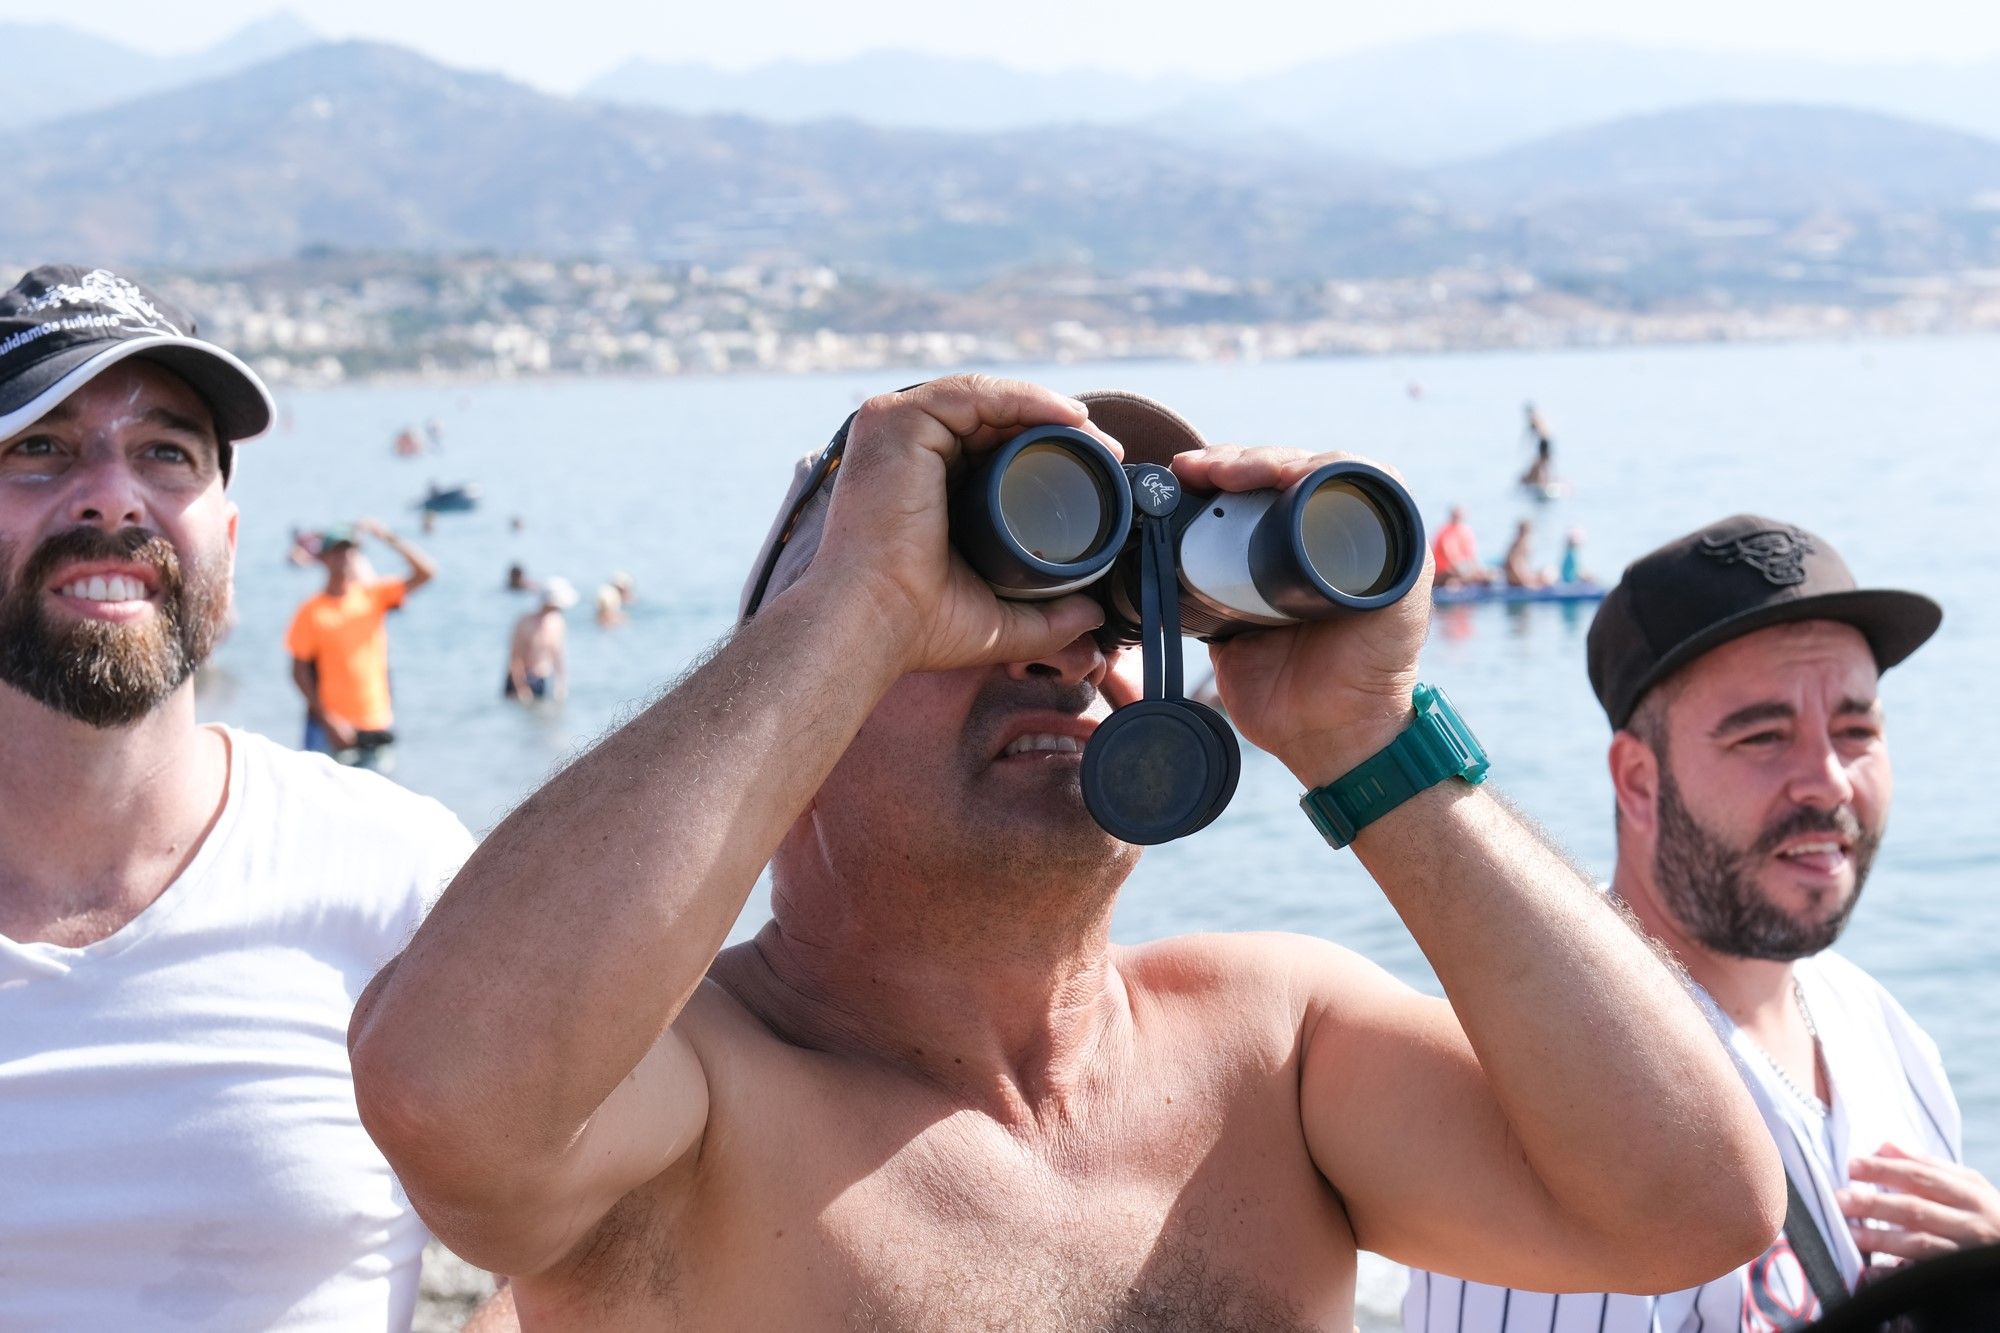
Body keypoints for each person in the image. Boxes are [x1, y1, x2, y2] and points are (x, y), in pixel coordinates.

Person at [349, 377, 1783, 1330]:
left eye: (1114, 606)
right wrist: (858, 607)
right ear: (786, 687)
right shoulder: (695, 1095)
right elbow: (444, 1099)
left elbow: (1697, 1200)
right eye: (977, 592)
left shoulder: (1267, 1050)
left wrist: (1372, 736)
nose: (1071, 644)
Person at [0, 264, 479, 1327]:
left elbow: (598, 1238)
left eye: (166, 452)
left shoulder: (398, 872)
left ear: (227, 534)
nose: (113, 493)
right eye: (38, 445)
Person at [1404, 515, 2000, 1332]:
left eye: (1857, 730)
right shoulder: (1559, 1106)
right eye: (1764, 735)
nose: (1828, 782)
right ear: (1639, 781)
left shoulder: (1889, 1036)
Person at [286, 516, 435, 770]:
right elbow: (299, 672)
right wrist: (329, 720)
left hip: (376, 723)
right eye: (337, 552)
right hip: (331, 729)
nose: (344, 558)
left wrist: (387, 536)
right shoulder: (311, 611)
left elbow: (427, 573)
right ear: (324, 558)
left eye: (350, 551)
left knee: (377, 806)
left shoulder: (373, 597)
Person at [504, 576, 574, 703]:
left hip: (543, 680)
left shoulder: (558, 622)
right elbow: (515, 658)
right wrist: (521, 688)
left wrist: (561, 684)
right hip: (522, 680)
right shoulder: (525, 623)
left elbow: (558, 655)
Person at [1431, 504, 1492, 588]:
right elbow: (1450, 558)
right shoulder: (1445, 532)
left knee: (1488, 575)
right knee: (1461, 579)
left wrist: (1477, 570)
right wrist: (1464, 572)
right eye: (1455, 516)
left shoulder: (1465, 531)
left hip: (1460, 568)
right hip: (1445, 571)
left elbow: (1471, 556)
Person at [1502, 517, 1551, 589]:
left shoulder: (1521, 546)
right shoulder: (1516, 547)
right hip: (1517, 581)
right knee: (1548, 574)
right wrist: (1525, 583)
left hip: (1522, 578)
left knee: (1548, 572)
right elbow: (1512, 567)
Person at [1520, 402, 1555, 488]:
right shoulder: (1538, 417)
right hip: (1546, 441)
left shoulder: (1533, 419)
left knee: (1541, 462)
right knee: (1544, 462)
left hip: (1543, 442)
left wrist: (1525, 446)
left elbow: (1532, 434)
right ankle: (1545, 481)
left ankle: (1543, 482)